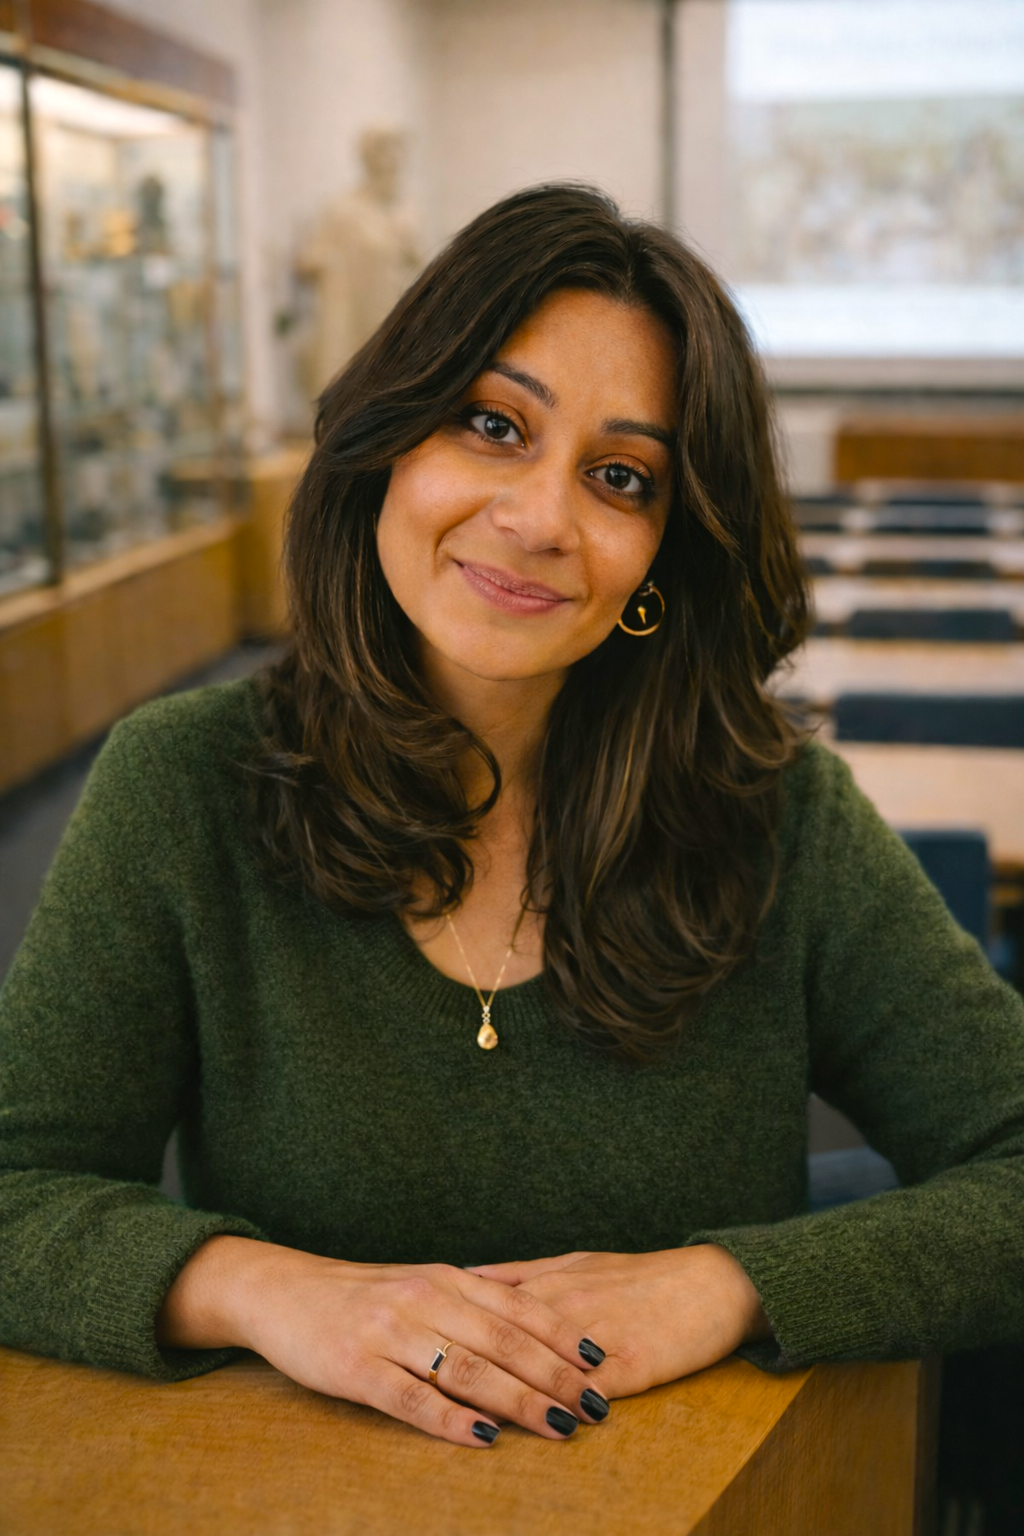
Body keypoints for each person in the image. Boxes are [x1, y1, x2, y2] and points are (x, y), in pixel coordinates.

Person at [1, 185, 1022, 1453]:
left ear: (663, 552)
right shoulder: (186, 783)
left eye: (620, 477)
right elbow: (15, 1190)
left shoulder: (773, 815)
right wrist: (267, 1289)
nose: (539, 520)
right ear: (389, 438)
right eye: (492, 425)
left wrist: (732, 1284)